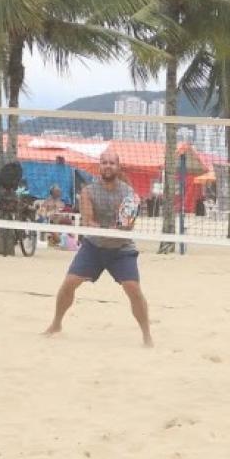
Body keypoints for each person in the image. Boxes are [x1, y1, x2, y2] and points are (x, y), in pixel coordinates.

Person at [43, 148, 152, 347]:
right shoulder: (88, 191)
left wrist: (116, 228)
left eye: (112, 163)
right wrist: (109, 229)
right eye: (104, 162)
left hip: (121, 248)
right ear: (99, 166)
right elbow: (87, 221)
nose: (107, 166)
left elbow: (127, 225)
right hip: (94, 246)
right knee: (69, 283)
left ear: (118, 167)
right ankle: (56, 324)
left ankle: (147, 335)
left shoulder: (128, 193)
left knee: (133, 289)